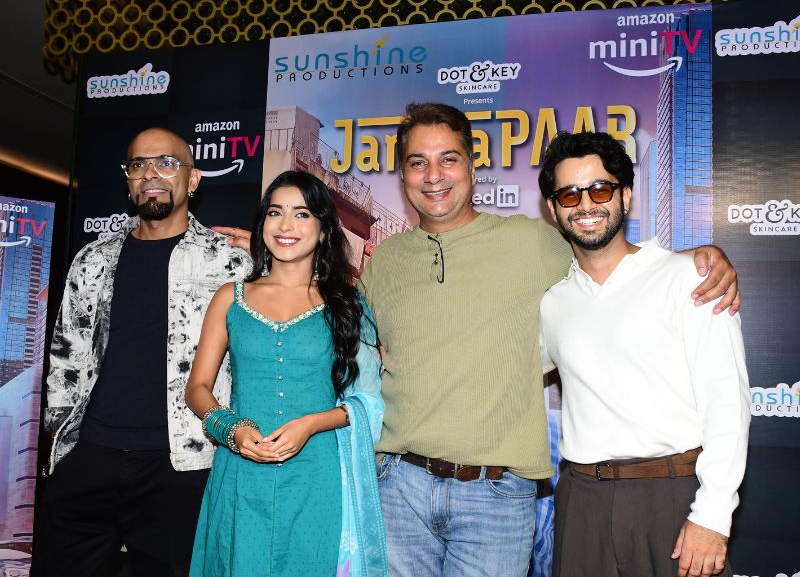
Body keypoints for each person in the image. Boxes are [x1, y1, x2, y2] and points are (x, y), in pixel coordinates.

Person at [218, 103, 740, 577]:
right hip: (398, 487)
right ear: (403, 176)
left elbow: (606, 249)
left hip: (496, 496)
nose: (434, 175)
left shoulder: (533, 242)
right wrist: (276, 258)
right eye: (418, 163)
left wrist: (699, 258)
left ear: (472, 167)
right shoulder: (386, 262)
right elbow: (332, 320)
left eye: (448, 159)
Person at [33, 127, 252, 577]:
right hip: (89, 457)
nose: (151, 173)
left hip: (182, 465)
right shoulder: (92, 259)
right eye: (138, 164)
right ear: (129, 180)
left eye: (167, 163)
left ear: (192, 179)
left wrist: (274, 260)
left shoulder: (230, 262)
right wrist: (62, 449)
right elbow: (65, 358)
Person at [537, 131, 749, 577]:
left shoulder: (690, 278)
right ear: (554, 210)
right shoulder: (552, 304)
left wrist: (713, 514)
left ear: (626, 196)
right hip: (582, 504)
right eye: (570, 195)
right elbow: (501, 368)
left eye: (600, 189)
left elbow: (727, 402)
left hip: (673, 498)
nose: (586, 205)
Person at [185, 170, 387, 577]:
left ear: (324, 229)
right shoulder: (231, 298)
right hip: (241, 468)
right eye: (275, 212)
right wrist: (232, 429)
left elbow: (368, 401)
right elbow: (198, 388)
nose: (286, 225)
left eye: (302, 214)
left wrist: (310, 424)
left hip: (317, 473)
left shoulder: (347, 305)